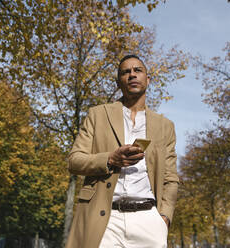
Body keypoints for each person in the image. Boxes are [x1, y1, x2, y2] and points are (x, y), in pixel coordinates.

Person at [66, 54, 179, 248]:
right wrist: (110, 159)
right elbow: (74, 161)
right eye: (126, 72)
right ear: (119, 82)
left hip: (149, 221)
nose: (132, 75)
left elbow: (171, 177)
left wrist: (164, 217)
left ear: (148, 79)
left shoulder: (165, 126)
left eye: (138, 70)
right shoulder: (97, 114)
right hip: (106, 220)